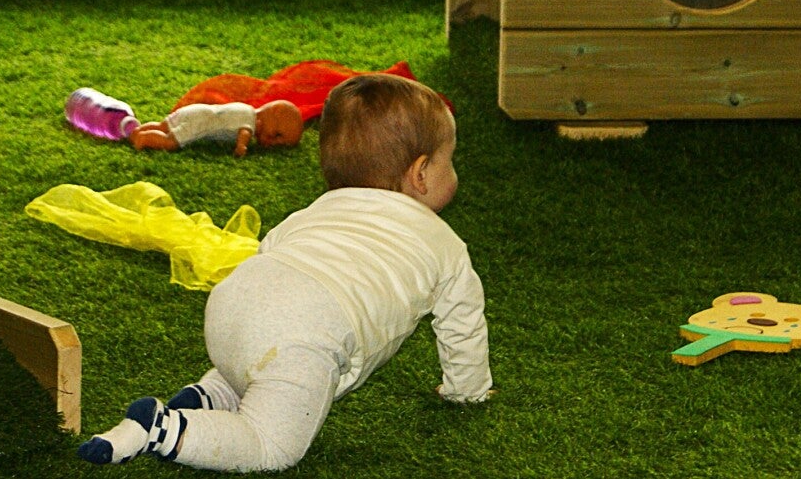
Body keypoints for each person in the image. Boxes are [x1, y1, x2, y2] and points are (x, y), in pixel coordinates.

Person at [79, 72, 492, 471]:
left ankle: (208, 395)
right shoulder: (444, 245)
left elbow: (268, 258)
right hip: (310, 325)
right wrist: (467, 391)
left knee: (262, 360)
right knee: (272, 446)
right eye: (449, 161)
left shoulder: (313, 212)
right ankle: (164, 430)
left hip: (235, 300)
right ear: (421, 173)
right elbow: (463, 327)